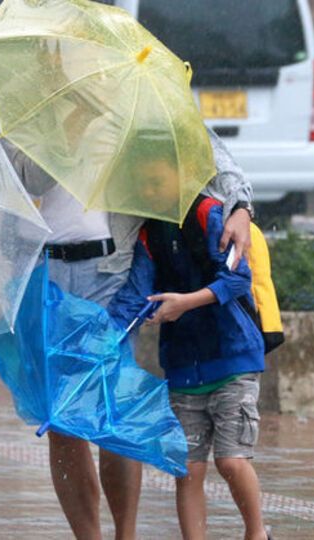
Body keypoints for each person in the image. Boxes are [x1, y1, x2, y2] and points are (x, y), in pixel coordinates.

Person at [4, 127, 254, 539]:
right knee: (61, 420)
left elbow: (201, 144)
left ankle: (126, 534)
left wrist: (240, 205)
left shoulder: (129, 100)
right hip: (44, 272)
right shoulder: (33, 112)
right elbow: (24, 178)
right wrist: (67, 127)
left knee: (111, 412)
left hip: (110, 271)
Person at [107, 150, 268, 539]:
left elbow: (237, 279)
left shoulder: (209, 214)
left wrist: (185, 302)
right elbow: (137, 294)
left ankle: (256, 532)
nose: (151, 189)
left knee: (231, 461)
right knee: (187, 470)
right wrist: (106, 337)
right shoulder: (149, 235)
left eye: (157, 178)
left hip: (232, 358)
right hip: (183, 368)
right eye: (144, 184)